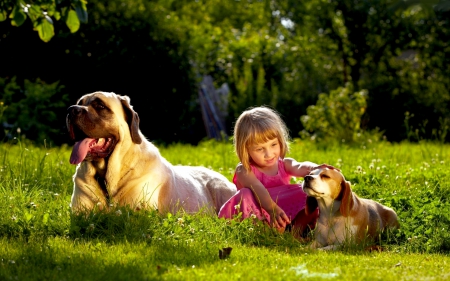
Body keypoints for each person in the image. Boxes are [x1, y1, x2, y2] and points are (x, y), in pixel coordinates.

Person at [218, 106, 336, 235]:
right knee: (245, 194)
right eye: (259, 149)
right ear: (245, 150)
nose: (269, 154)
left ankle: (296, 230)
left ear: (280, 141)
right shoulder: (244, 170)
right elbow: (258, 188)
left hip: (282, 212)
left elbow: (300, 166)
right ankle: (262, 231)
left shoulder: (284, 164)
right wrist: (272, 209)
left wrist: (316, 168)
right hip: (257, 213)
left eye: (273, 145)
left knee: (307, 192)